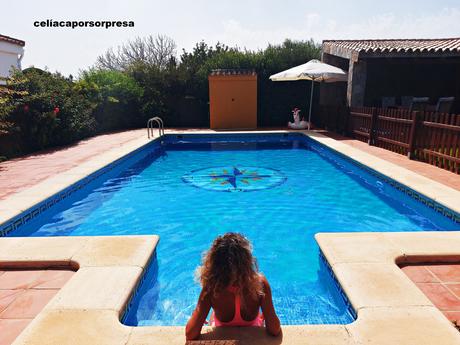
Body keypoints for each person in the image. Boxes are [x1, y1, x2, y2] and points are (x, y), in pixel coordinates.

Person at [185, 232, 281, 340]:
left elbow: (190, 333)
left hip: (220, 327)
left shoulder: (212, 288)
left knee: (212, 315)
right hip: (253, 326)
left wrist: (198, 313)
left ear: (214, 263)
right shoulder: (260, 283)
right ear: (247, 261)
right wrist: (268, 315)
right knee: (259, 316)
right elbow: (274, 330)